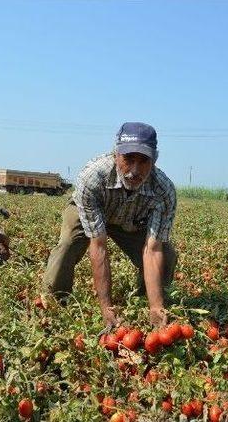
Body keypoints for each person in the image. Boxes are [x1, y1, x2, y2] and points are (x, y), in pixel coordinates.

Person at [43, 122, 177, 329]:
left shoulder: (163, 191)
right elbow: (99, 246)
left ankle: (147, 304)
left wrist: (155, 306)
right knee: (69, 244)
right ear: (115, 155)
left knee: (166, 255)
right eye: (128, 159)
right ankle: (55, 303)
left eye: (143, 161)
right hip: (92, 211)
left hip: (132, 221)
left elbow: (153, 250)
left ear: (154, 160)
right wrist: (106, 306)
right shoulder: (93, 177)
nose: (135, 170)